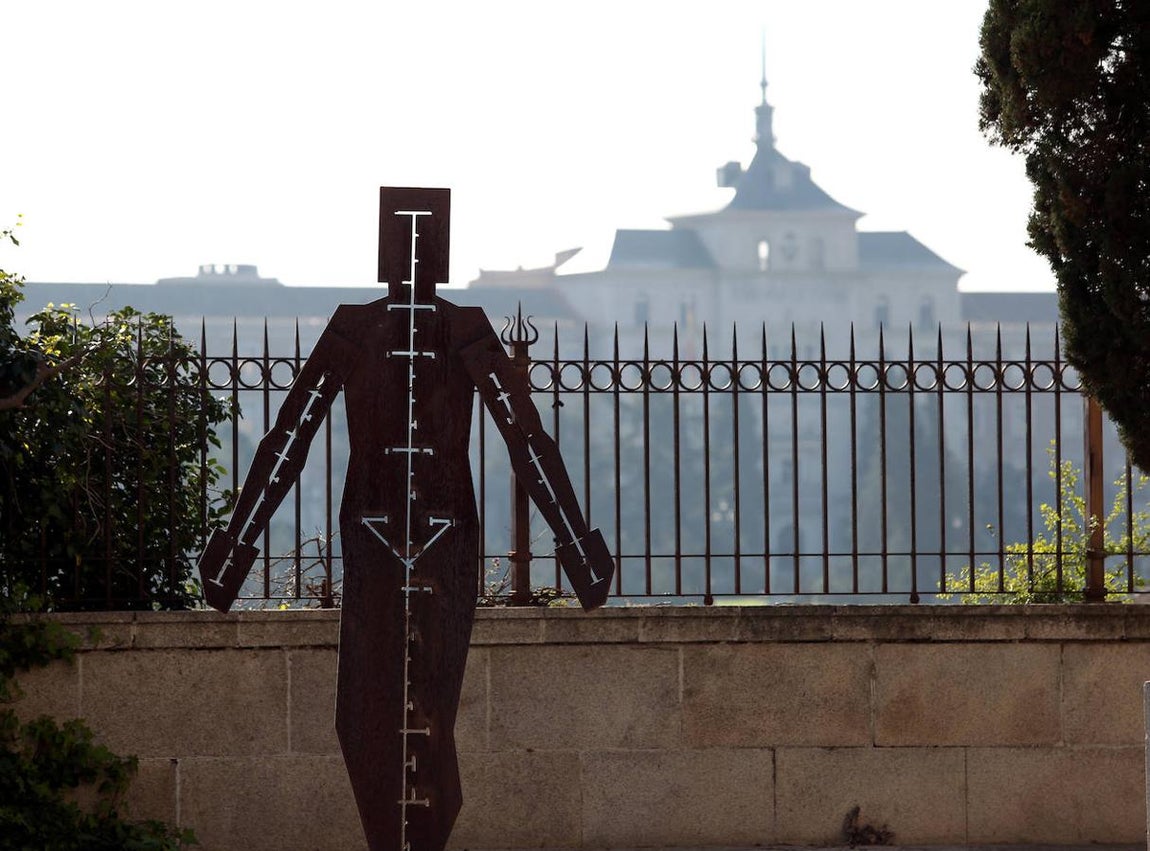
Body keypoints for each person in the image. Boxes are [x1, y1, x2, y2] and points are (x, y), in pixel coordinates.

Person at [196, 187, 613, 851]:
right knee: (363, 719)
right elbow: (291, 435)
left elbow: (524, 435)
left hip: (440, 539)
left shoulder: (461, 324)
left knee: (429, 715)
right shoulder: (357, 328)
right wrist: (236, 546)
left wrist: (577, 546)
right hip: (376, 536)